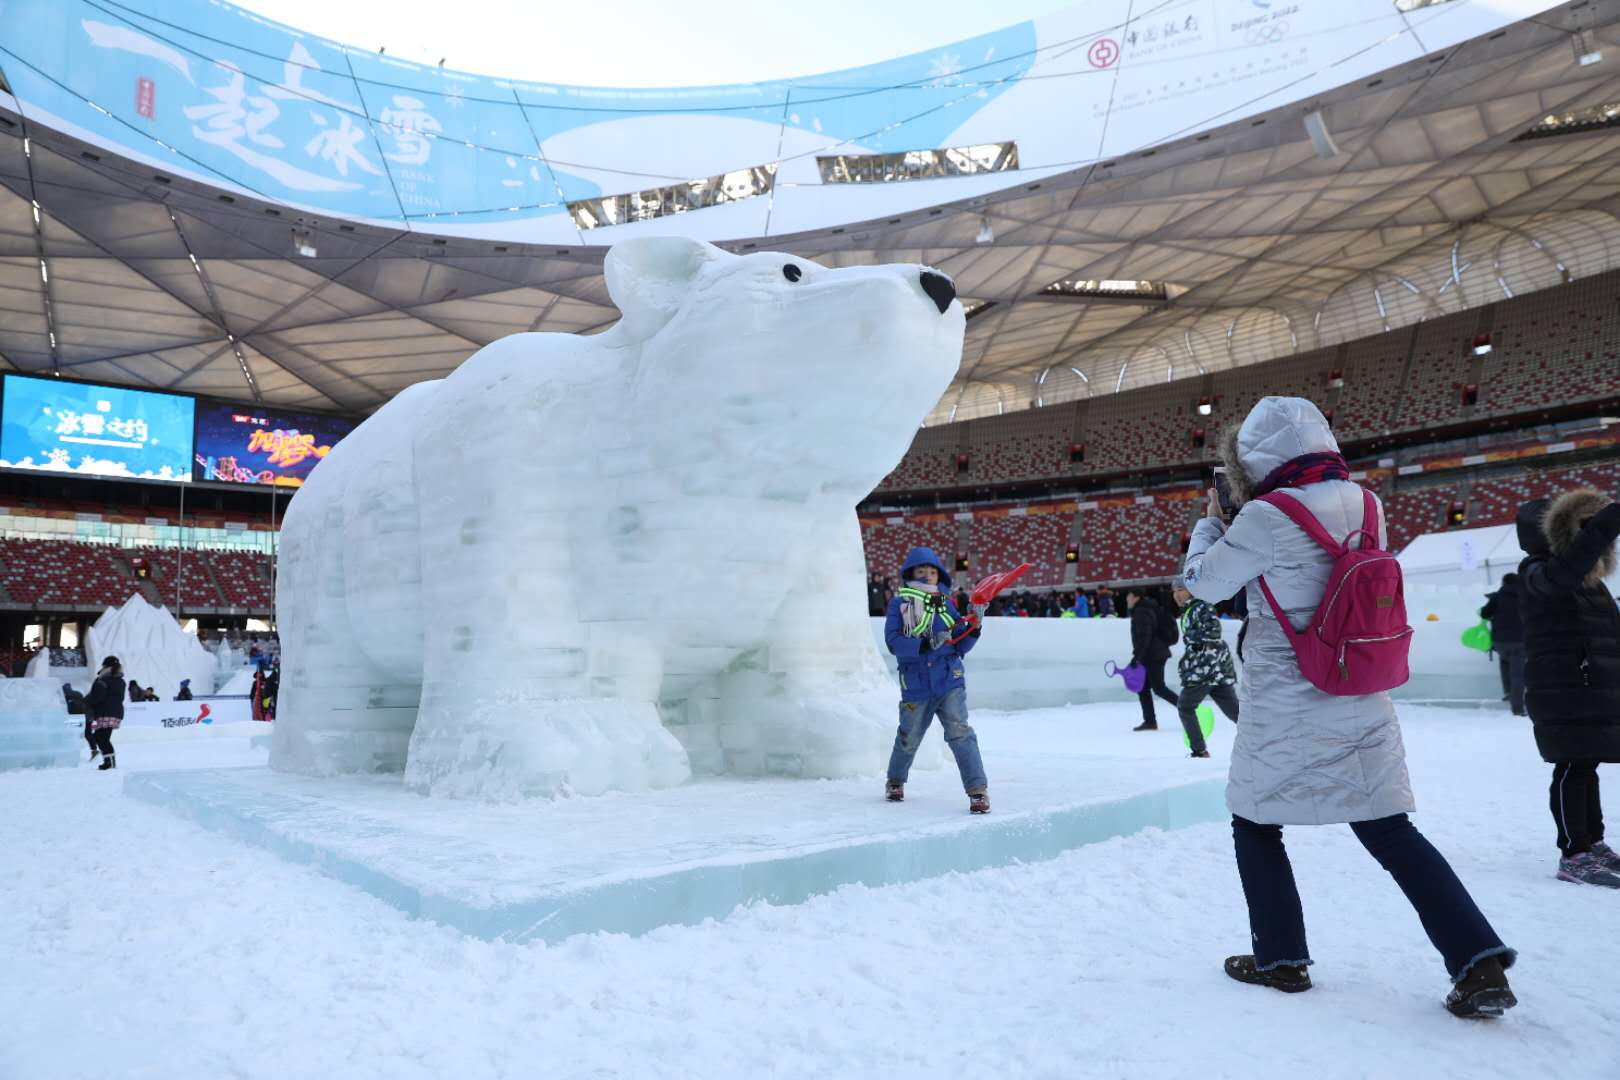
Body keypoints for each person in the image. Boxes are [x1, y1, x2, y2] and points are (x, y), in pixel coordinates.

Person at [1182, 396, 1516, 1019]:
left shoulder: (1263, 515)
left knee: (1255, 823)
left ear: (1252, 459)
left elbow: (1203, 585)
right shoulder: (1368, 503)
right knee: (1388, 828)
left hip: (1285, 699)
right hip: (1359, 686)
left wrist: (1210, 523)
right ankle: (1479, 961)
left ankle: (1281, 959)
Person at [1515, 489, 1620, 888]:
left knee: (1586, 763)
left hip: (1591, 686)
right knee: (1572, 766)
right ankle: (1573, 853)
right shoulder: (1535, 572)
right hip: (1561, 688)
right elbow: (1562, 575)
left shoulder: (1590, 582)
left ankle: (1593, 843)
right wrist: (1602, 528)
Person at [883, 546, 990, 814]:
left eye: (932, 572)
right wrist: (922, 644)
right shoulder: (899, 605)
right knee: (908, 738)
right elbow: (893, 641)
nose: (928, 576)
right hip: (916, 686)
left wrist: (974, 624)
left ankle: (977, 790)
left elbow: (959, 645)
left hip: (949, 681)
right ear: (910, 573)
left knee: (960, 733)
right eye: (922, 571)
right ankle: (895, 780)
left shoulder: (946, 604)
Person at [1171, 580, 1239, 757]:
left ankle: (1199, 750)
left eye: (1181, 589)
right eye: (1174, 591)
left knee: (1185, 706)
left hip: (1205, 668)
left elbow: (1214, 632)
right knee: (1236, 712)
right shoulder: (1190, 609)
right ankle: (1264, 739)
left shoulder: (1201, 607)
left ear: (1191, 590)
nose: (1177, 594)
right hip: (1215, 668)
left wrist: (1192, 641)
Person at [1126, 587, 1179, 731]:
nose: (1127, 599)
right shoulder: (1147, 608)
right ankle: (1150, 721)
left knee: (1159, 688)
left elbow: (1144, 636)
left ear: (1136, 597)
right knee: (1143, 688)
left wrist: (1137, 657)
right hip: (1155, 653)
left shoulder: (1141, 611)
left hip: (1153, 655)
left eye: (1129, 596)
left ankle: (1189, 708)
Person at [1481, 573, 1526, 716]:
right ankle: (1517, 709)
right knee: (1517, 675)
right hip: (1520, 641)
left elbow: (1484, 614)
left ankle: (1508, 692)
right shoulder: (1525, 596)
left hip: (1500, 642)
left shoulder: (1498, 596)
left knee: (1505, 661)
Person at [83, 655, 126, 772]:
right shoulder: (121, 681)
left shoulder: (103, 680)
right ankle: (109, 761)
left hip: (105, 712)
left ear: (105, 666)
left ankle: (109, 762)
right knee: (102, 737)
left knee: (100, 737)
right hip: (116, 712)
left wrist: (86, 701)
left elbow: (97, 697)